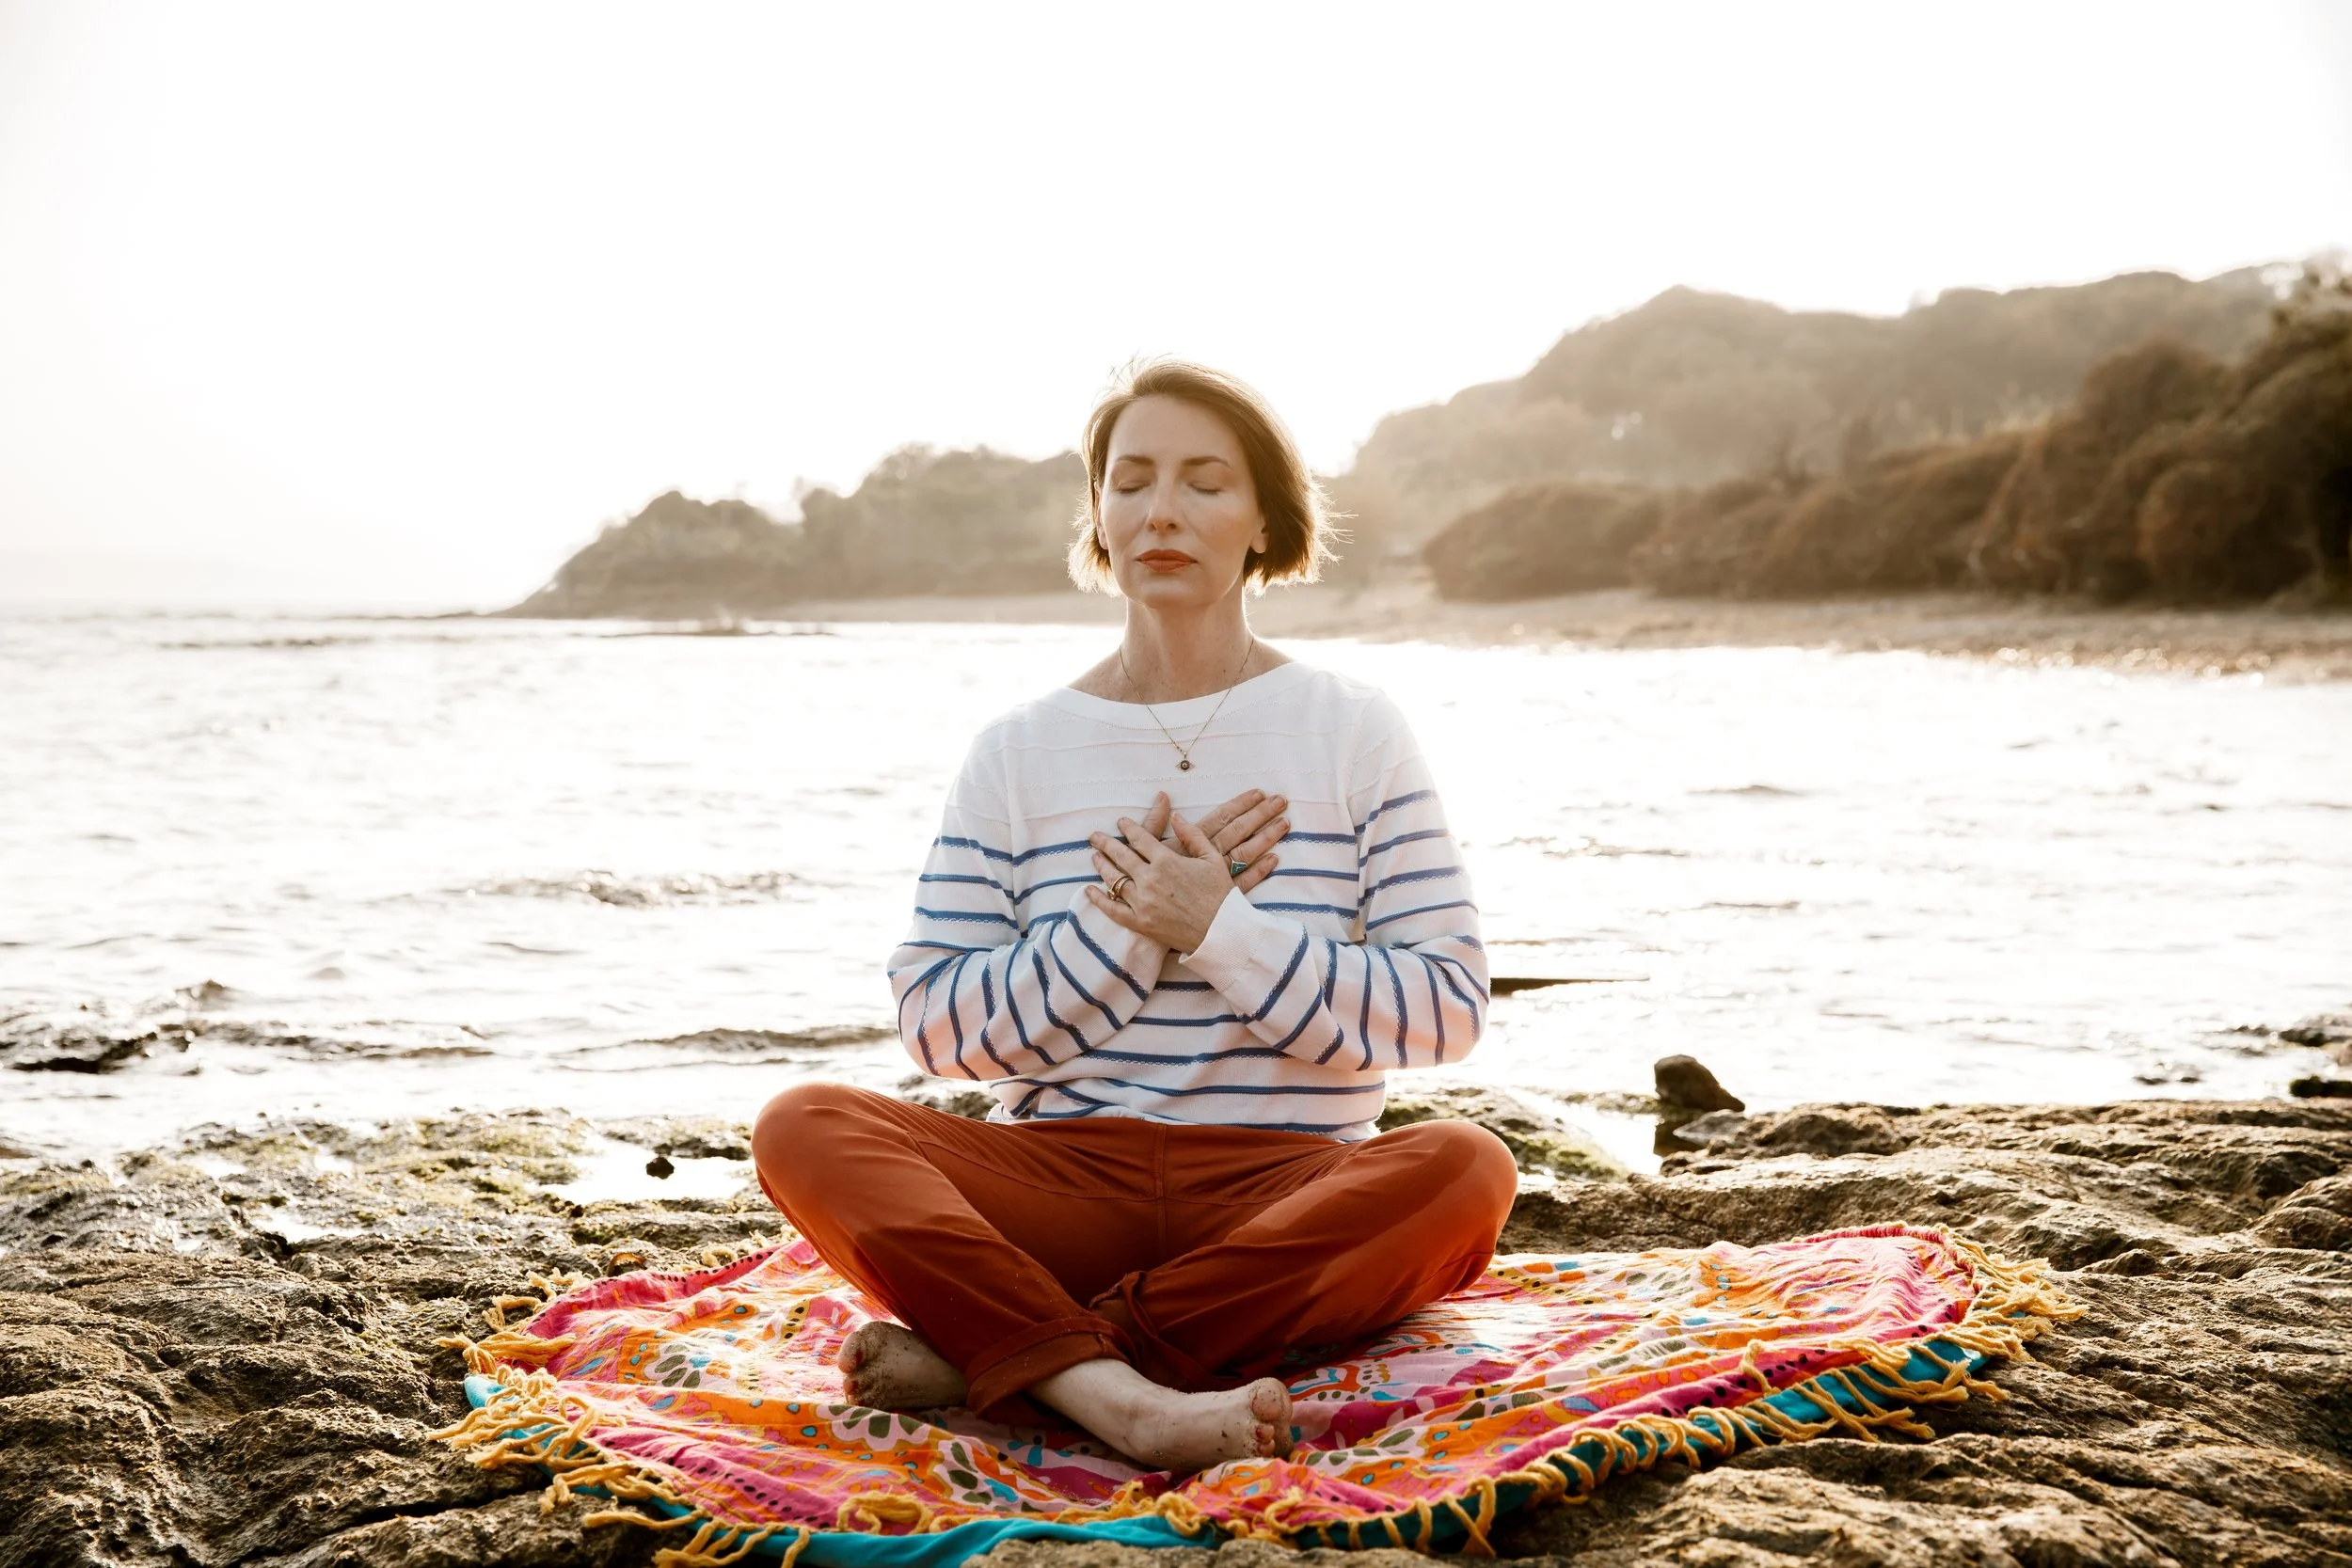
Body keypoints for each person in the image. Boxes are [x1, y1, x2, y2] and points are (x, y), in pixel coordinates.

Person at [753, 361, 1515, 1474]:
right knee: (803, 1123)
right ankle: (1129, 1389)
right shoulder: (1016, 750)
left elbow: (1444, 1009)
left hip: (1283, 1182)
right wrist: (1125, 933)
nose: (1161, 510)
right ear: (1100, 517)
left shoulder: (1352, 728)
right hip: (1054, 1178)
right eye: (1132, 482)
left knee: (1464, 1167)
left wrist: (1222, 928)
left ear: (1266, 519)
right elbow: (935, 1025)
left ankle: (1038, 1362)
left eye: (1205, 482)